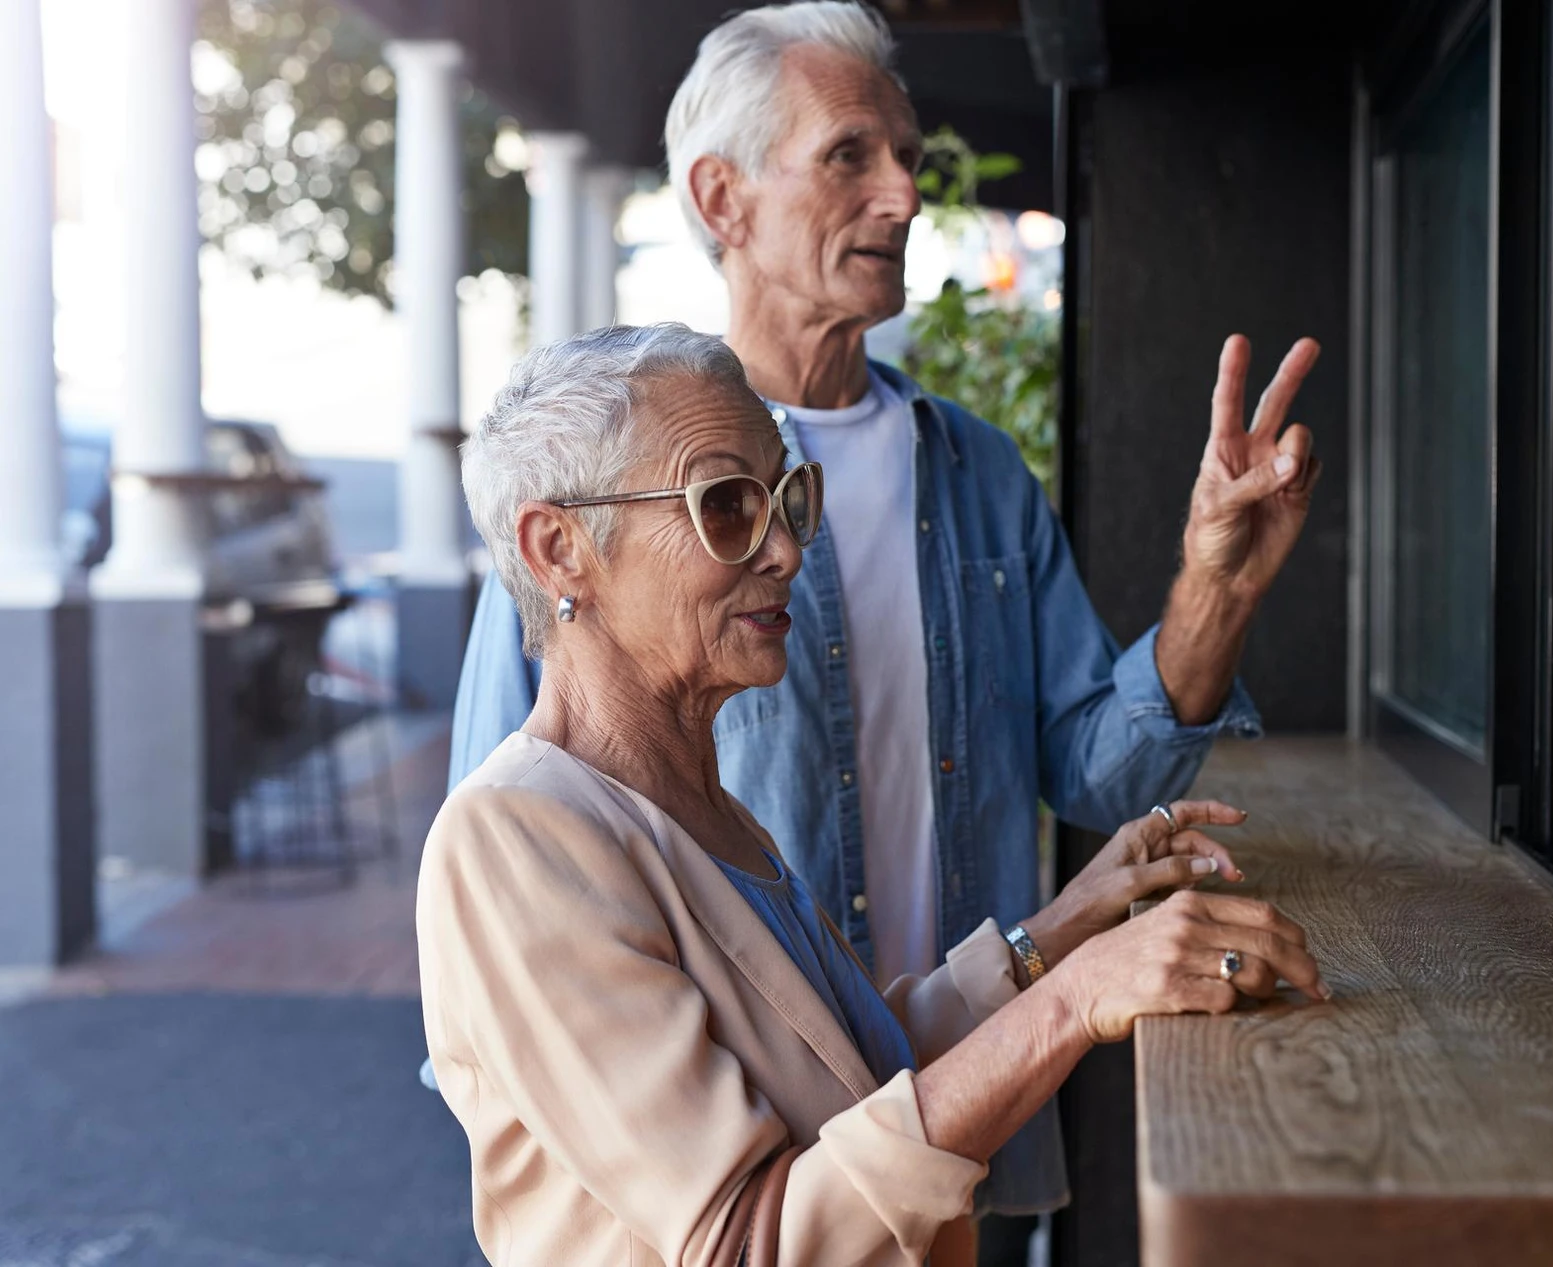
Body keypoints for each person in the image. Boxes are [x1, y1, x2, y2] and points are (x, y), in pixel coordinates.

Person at [446, 0, 1323, 1237]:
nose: (904, 195)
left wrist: (1216, 582)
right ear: (722, 199)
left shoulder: (974, 472)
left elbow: (1092, 770)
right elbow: (513, 897)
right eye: (849, 154)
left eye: (908, 156)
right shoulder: (589, 495)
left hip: (957, 1120)